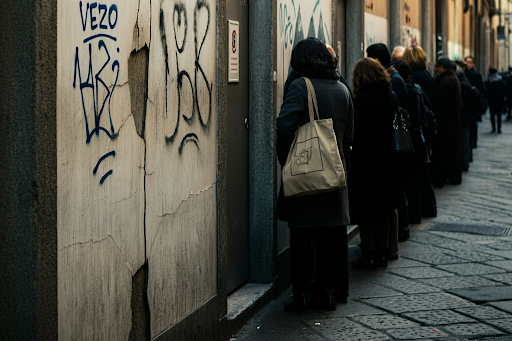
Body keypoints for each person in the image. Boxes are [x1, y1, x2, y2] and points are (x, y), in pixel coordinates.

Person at [276, 37, 353, 313]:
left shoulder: (300, 85)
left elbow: (285, 127)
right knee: (329, 239)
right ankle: (327, 294)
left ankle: (301, 296)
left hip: (307, 173)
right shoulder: (342, 88)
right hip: (335, 175)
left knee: (301, 238)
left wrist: (287, 161)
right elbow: (350, 135)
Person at [350, 57, 400, 269]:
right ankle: (382, 252)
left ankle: (368, 251)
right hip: (389, 159)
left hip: (365, 161)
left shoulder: (360, 100)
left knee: (366, 208)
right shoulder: (390, 95)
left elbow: (355, 134)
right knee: (384, 207)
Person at [366, 43, 407, 252]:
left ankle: (385, 248)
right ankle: (387, 249)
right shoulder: (389, 91)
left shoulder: (391, 85)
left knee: (381, 205)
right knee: (388, 203)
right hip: (388, 155)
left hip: (376, 157)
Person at [402, 45, 438, 218]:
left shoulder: (411, 80)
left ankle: (417, 212)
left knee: (414, 176)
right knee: (424, 174)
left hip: (415, 133)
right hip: (425, 132)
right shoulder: (429, 78)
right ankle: (429, 208)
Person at [394, 59, 429, 226]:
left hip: (405, 141)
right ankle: (416, 214)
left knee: (404, 181)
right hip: (417, 140)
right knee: (414, 181)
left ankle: (407, 217)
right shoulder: (417, 90)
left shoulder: (402, 93)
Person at [434, 57, 463, 185]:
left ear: (441, 67)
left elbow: (439, 102)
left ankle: (453, 176)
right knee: (452, 148)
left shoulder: (445, 81)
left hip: (447, 120)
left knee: (449, 149)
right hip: (452, 119)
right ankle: (454, 176)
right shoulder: (452, 78)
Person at [455, 60, 481, 171]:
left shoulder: (462, 84)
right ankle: (466, 159)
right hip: (469, 115)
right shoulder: (465, 80)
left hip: (465, 116)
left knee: (465, 139)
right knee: (466, 138)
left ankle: (465, 161)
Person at [464, 56, 487, 121]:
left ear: (473, 64)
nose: (468, 64)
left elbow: (482, 90)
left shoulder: (477, 76)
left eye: (470, 62)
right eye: (467, 62)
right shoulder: (463, 75)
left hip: (474, 102)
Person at [486, 67, 506, 134]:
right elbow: (504, 90)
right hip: (499, 100)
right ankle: (499, 129)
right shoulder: (500, 80)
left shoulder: (489, 81)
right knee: (499, 115)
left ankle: (493, 128)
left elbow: (487, 91)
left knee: (492, 115)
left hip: (491, 100)